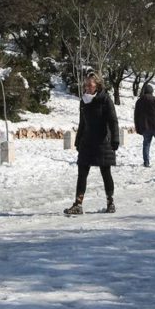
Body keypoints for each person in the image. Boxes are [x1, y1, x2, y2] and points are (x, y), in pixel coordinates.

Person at [65, 72, 119, 215]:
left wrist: (115, 138)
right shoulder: (83, 101)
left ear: (97, 85)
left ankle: (110, 202)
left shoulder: (105, 99)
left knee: (105, 172)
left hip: (103, 142)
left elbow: (113, 120)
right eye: (86, 84)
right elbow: (82, 122)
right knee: (82, 172)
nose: (87, 87)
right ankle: (78, 204)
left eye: (90, 84)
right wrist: (77, 140)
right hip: (87, 142)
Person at [133, 83, 155, 167]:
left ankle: (146, 162)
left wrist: (137, 127)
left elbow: (136, 116)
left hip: (145, 127)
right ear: (152, 91)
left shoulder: (139, 101)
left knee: (146, 144)